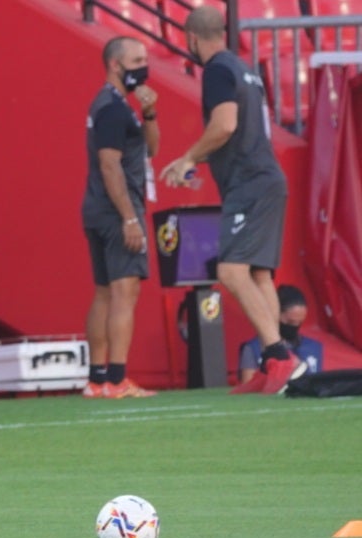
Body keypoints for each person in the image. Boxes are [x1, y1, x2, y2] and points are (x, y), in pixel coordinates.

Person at [160, 5, 300, 394]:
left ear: (189, 38)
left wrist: (189, 155)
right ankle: (275, 361)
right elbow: (240, 136)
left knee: (230, 272)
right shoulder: (245, 69)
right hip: (267, 179)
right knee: (258, 275)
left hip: (250, 185)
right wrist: (192, 160)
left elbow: (225, 126)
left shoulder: (217, 71)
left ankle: (279, 356)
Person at [81, 37, 160, 399]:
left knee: (103, 293)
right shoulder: (112, 108)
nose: (144, 66)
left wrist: (150, 113)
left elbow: (150, 150)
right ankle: (117, 378)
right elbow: (109, 164)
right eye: (137, 60)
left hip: (98, 207)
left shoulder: (116, 106)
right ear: (116, 64)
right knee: (124, 292)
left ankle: (97, 380)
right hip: (117, 210)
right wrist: (130, 218)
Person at [239, 284, 322, 383]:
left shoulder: (313, 347)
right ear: (276, 314)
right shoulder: (253, 348)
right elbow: (248, 388)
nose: (294, 327)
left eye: (299, 323)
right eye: (290, 322)